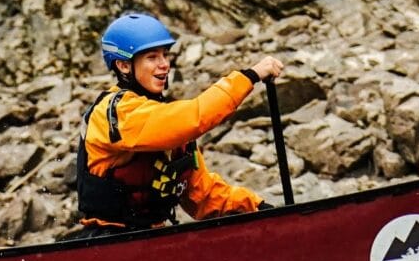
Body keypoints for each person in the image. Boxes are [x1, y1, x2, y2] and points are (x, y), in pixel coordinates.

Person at [75, 12, 286, 237]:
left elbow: (203, 196)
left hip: (152, 237)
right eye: (152, 57)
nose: (164, 65)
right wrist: (249, 76)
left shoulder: (164, 117)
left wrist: (258, 208)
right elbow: (196, 117)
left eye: (165, 55)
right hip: (109, 241)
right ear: (124, 66)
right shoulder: (116, 111)